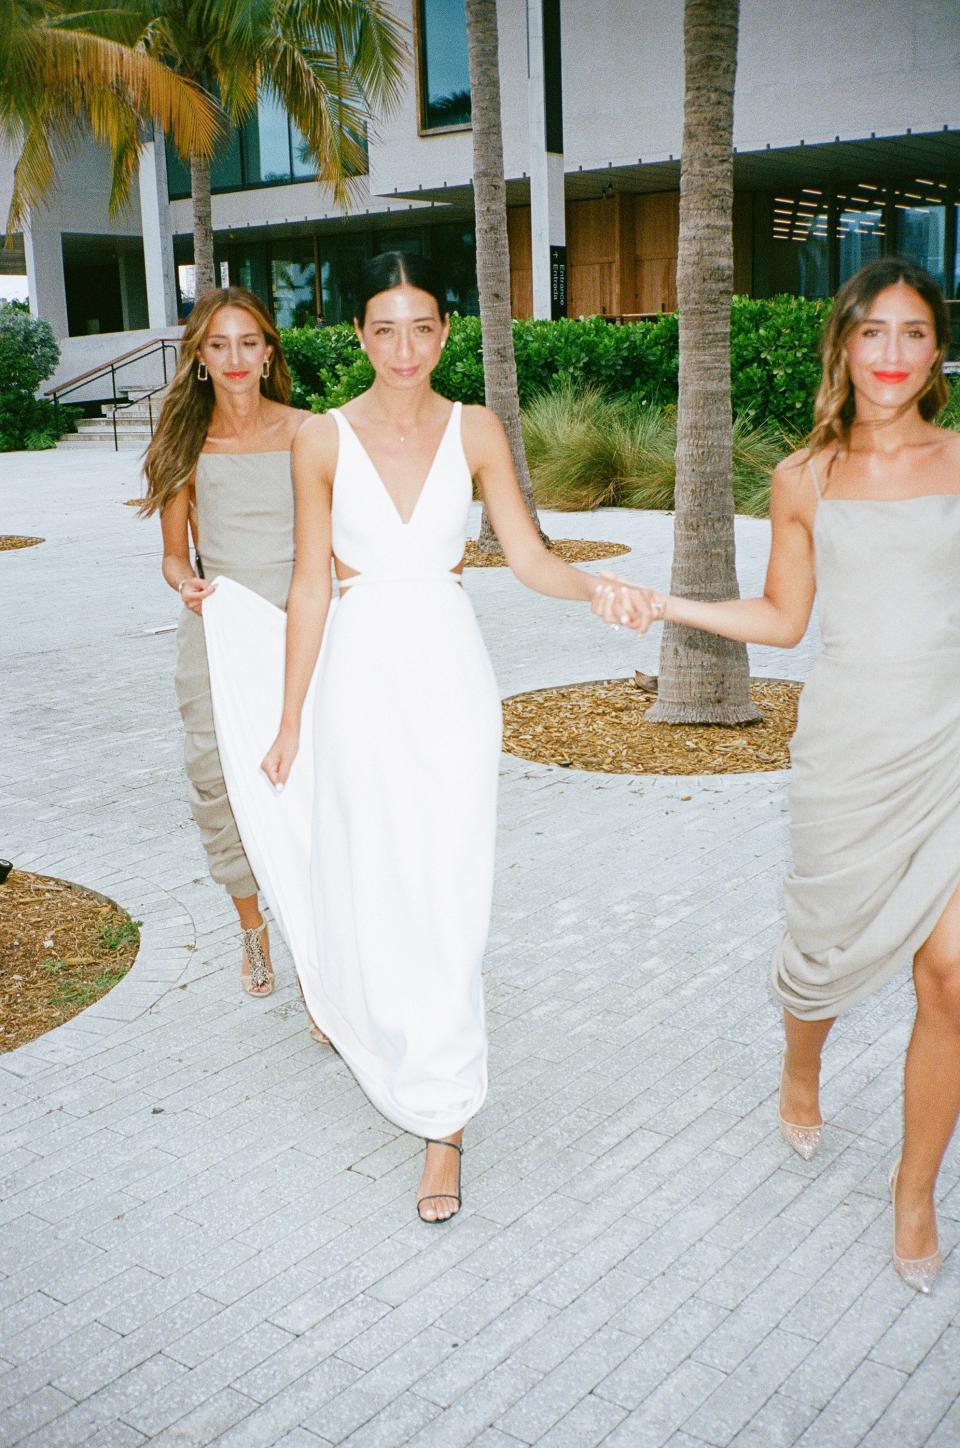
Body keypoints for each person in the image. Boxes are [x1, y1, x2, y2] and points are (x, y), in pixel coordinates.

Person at [201, 251, 628, 1222]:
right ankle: (371, 1020)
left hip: (450, 677)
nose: (403, 347)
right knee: (374, 875)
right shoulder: (320, 438)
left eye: (422, 326)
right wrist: (289, 716)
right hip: (357, 676)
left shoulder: (477, 428)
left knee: (450, 887)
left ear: (445, 333)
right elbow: (311, 582)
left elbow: (526, 554)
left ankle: (445, 1119)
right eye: (382, 328)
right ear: (357, 335)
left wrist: (604, 587)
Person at [597, 257, 960, 1293]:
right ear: (844, 343)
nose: (892, 354)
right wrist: (669, 607)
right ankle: (802, 1063)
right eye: (873, 332)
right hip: (851, 750)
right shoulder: (804, 476)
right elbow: (783, 618)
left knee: (953, 977)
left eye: (914, 334)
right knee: (821, 953)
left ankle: (914, 1186)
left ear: (938, 352)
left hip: (952, 747)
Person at [142, 285, 309, 998]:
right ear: (200, 357)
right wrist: (187, 585)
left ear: (269, 351)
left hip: (299, 629)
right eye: (219, 344)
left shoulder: (309, 431)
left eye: (249, 342)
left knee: (307, 787)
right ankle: (252, 927)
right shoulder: (184, 442)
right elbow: (174, 555)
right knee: (217, 783)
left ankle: (317, 954)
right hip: (218, 630)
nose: (236, 357)